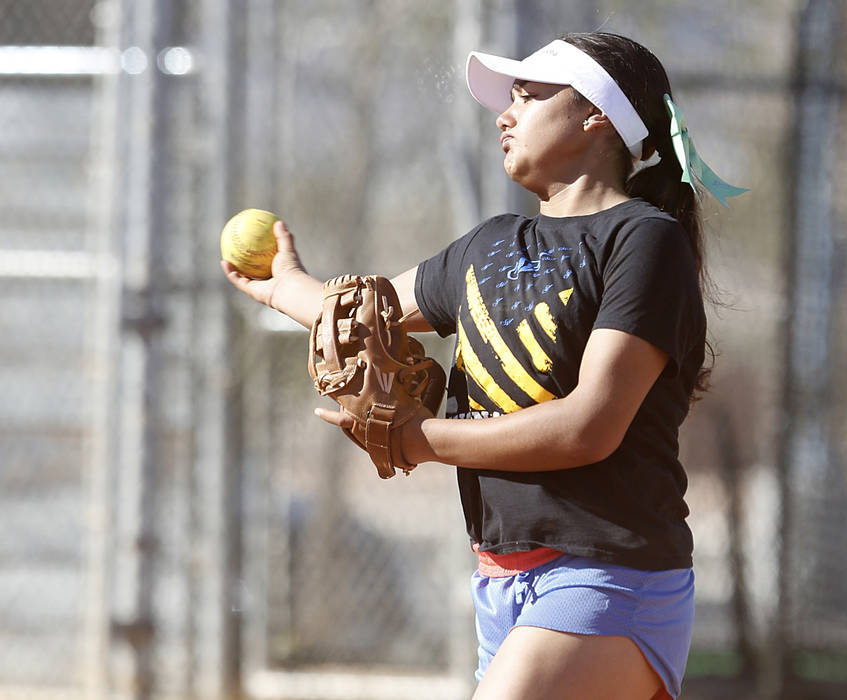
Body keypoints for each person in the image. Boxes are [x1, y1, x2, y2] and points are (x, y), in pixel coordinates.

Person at [223, 31, 744, 700]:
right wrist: (283, 285)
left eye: (527, 95)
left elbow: (589, 427)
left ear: (597, 114)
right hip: (501, 582)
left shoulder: (644, 240)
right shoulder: (489, 245)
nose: (505, 114)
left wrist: (418, 441)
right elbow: (359, 313)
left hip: (611, 572)